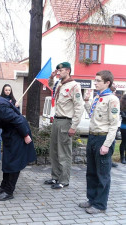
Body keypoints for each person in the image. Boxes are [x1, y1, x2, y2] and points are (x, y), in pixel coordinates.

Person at [79, 70, 120, 214]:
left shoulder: (112, 99)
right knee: (91, 172)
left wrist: (106, 145)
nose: (95, 83)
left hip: (103, 138)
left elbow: (114, 125)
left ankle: (100, 205)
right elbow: (92, 116)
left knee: (103, 173)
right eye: (95, 80)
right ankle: (92, 199)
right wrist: (86, 101)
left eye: (98, 81)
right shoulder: (99, 97)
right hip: (93, 137)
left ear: (107, 83)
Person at [44, 62, 84, 189]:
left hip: (66, 121)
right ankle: (55, 177)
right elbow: (50, 86)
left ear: (67, 70)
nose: (59, 72)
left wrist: (74, 126)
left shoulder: (74, 86)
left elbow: (79, 107)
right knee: (54, 151)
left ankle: (64, 180)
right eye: (58, 70)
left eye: (60, 70)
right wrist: (52, 77)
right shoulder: (59, 84)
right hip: (57, 120)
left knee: (64, 152)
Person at [0, 84, 20, 164]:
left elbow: (17, 113)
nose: (7, 91)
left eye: (9, 90)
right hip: (0, 122)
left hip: (9, 123)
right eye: (6, 90)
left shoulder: (14, 100)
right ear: (3, 90)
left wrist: (17, 107)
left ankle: (7, 156)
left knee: (8, 140)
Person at [119, 94, 126, 164]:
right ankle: (122, 158)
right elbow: (124, 116)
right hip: (124, 126)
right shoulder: (122, 106)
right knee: (124, 142)